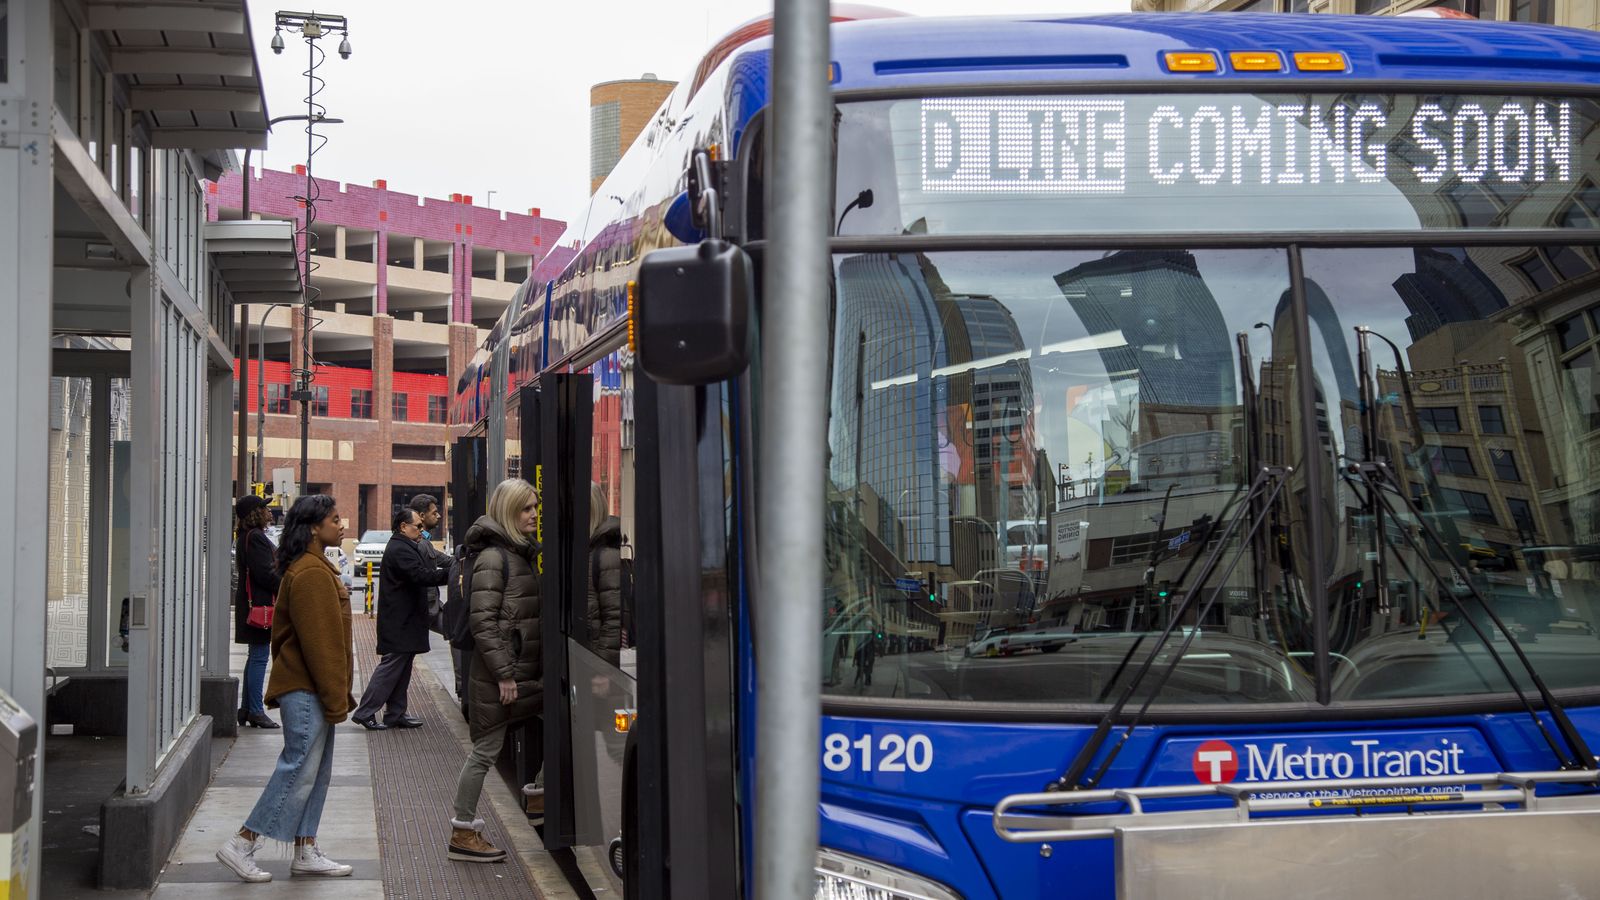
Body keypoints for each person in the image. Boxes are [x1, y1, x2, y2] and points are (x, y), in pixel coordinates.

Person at [216, 495, 355, 882]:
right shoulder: (310, 572)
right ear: (314, 527)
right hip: (308, 689)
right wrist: (335, 697)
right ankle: (242, 843)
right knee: (298, 769)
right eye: (334, 518)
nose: (341, 524)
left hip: (312, 688)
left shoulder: (313, 566)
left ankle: (306, 847)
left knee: (316, 771)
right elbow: (321, 644)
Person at [447, 478, 542, 864]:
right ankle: (462, 831)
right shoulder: (493, 558)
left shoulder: (515, 554)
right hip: (501, 678)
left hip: (517, 673)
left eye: (535, 507)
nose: (534, 514)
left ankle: (538, 796)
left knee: (560, 717)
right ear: (508, 512)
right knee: (485, 751)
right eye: (526, 508)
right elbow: (483, 622)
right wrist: (504, 673)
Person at [352, 508, 452, 730]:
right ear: (403, 527)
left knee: (402, 668)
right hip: (400, 621)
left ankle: (396, 713)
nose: (421, 530)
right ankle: (366, 711)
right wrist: (451, 573)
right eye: (417, 526)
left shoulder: (405, 545)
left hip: (405, 620)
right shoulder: (400, 549)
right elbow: (421, 575)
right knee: (391, 667)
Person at [234, 495, 281, 729]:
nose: (269, 511)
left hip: (252, 605)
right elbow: (266, 574)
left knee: (255, 657)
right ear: (255, 513)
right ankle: (255, 710)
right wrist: (287, 583)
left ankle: (246, 709)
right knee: (260, 657)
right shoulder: (256, 538)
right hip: (260, 606)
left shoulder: (246, 536)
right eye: (265, 508)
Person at [586, 482, 624, 667]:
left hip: (596, 666)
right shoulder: (587, 552)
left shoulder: (606, 556)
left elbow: (613, 620)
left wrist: (602, 669)